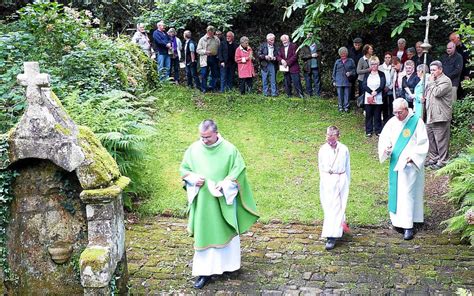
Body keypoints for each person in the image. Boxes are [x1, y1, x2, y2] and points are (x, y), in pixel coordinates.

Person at [180, 119, 259, 289]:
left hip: (223, 199)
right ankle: (204, 273)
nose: (204, 140)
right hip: (203, 203)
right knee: (205, 233)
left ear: (216, 133)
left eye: (207, 137)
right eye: (201, 137)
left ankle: (229, 267)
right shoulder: (194, 150)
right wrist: (193, 179)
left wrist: (226, 184)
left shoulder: (230, 150)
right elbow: (184, 170)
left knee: (225, 230)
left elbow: (238, 171)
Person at [378, 98, 429, 240]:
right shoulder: (392, 122)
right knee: (397, 192)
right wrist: (386, 149)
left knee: (407, 193)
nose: (397, 116)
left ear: (407, 109)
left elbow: (423, 143)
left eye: (400, 112)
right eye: (395, 113)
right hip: (396, 164)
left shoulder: (416, 122)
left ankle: (408, 226)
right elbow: (385, 139)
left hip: (410, 165)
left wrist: (413, 157)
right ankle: (397, 221)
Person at [318, 125, 351, 250]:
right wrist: (325, 181)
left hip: (341, 178)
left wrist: (346, 181)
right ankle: (333, 231)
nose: (330, 140)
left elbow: (347, 167)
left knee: (339, 206)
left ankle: (335, 232)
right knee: (331, 206)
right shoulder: (322, 150)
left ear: (338, 137)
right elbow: (321, 167)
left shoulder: (344, 149)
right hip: (328, 180)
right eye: (328, 137)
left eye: (332, 138)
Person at [424, 61, 453, 170]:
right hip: (430, 114)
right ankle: (433, 158)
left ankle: (443, 160)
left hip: (441, 115)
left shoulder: (445, 81)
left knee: (441, 140)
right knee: (430, 138)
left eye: (434, 70)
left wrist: (431, 83)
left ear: (440, 70)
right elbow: (429, 94)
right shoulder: (433, 80)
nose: (432, 73)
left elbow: (437, 92)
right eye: (430, 70)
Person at [362, 56, 386, 137]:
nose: (374, 66)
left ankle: (378, 130)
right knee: (368, 114)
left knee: (377, 114)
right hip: (368, 97)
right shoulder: (367, 74)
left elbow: (382, 85)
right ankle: (368, 131)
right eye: (372, 64)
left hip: (378, 97)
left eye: (375, 64)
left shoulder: (381, 74)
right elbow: (364, 85)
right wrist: (371, 92)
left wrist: (376, 91)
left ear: (378, 64)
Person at [197, 26, 220, 93]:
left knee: (214, 74)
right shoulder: (202, 39)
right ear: (207, 31)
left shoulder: (216, 39)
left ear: (213, 32)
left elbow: (219, 48)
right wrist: (205, 52)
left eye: (212, 32)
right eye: (209, 32)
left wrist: (218, 56)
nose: (210, 33)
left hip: (214, 58)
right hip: (205, 58)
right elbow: (198, 50)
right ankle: (204, 88)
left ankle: (212, 87)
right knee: (204, 74)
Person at [332, 47, 356, 113]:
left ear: (347, 53)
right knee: (340, 95)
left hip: (347, 81)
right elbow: (334, 72)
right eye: (341, 53)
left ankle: (346, 107)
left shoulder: (351, 61)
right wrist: (334, 80)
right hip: (339, 81)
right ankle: (340, 107)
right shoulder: (337, 61)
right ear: (339, 54)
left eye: (344, 53)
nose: (343, 54)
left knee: (347, 95)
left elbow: (354, 71)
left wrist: (350, 73)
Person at [300, 33, 322, 97]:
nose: (309, 37)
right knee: (308, 81)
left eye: (311, 35)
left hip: (316, 66)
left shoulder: (318, 45)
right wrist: (311, 56)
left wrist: (321, 59)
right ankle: (309, 94)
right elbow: (302, 56)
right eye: (308, 36)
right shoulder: (304, 46)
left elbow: (323, 53)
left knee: (317, 81)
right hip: (307, 67)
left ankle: (317, 95)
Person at [379, 52, 395, 125]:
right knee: (384, 105)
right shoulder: (380, 67)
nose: (387, 59)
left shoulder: (393, 67)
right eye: (386, 57)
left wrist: (389, 87)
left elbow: (394, 79)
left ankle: (392, 119)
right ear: (384, 58)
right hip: (382, 89)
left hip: (391, 88)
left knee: (391, 104)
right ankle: (385, 120)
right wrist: (383, 87)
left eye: (389, 57)